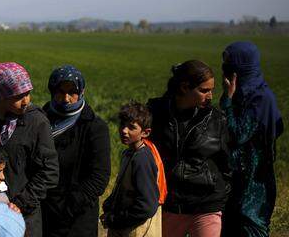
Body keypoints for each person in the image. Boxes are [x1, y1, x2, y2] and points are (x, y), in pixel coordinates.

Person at [0, 62, 59, 236]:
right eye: (18, 96)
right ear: (1, 96)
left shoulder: (36, 122)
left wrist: (20, 203)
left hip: (22, 216)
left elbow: (50, 171)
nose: (26, 101)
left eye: (28, 93)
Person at [147, 60, 231, 237]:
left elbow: (226, 164)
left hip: (206, 205)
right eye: (204, 90)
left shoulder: (217, 120)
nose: (210, 96)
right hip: (169, 204)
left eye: (212, 90)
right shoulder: (156, 113)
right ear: (185, 87)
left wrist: (218, 196)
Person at [220, 41, 284, 237]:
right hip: (235, 180)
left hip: (254, 187)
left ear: (243, 68)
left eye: (230, 65)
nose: (226, 71)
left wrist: (228, 102)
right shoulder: (242, 95)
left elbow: (238, 134)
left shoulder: (261, 99)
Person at [40, 65, 111, 237]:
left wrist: (68, 208)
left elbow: (99, 177)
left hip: (76, 217)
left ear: (81, 91)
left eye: (72, 92)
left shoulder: (94, 127)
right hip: (44, 213)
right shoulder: (41, 120)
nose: (66, 98)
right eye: (60, 91)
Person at [101, 102, 161, 237]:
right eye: (122, 125)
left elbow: (146, 206)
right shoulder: (128, 154)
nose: (124, 130)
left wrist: (115, 219)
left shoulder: (142, 159)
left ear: (145, 132)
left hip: (136, 230)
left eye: (131, 127)